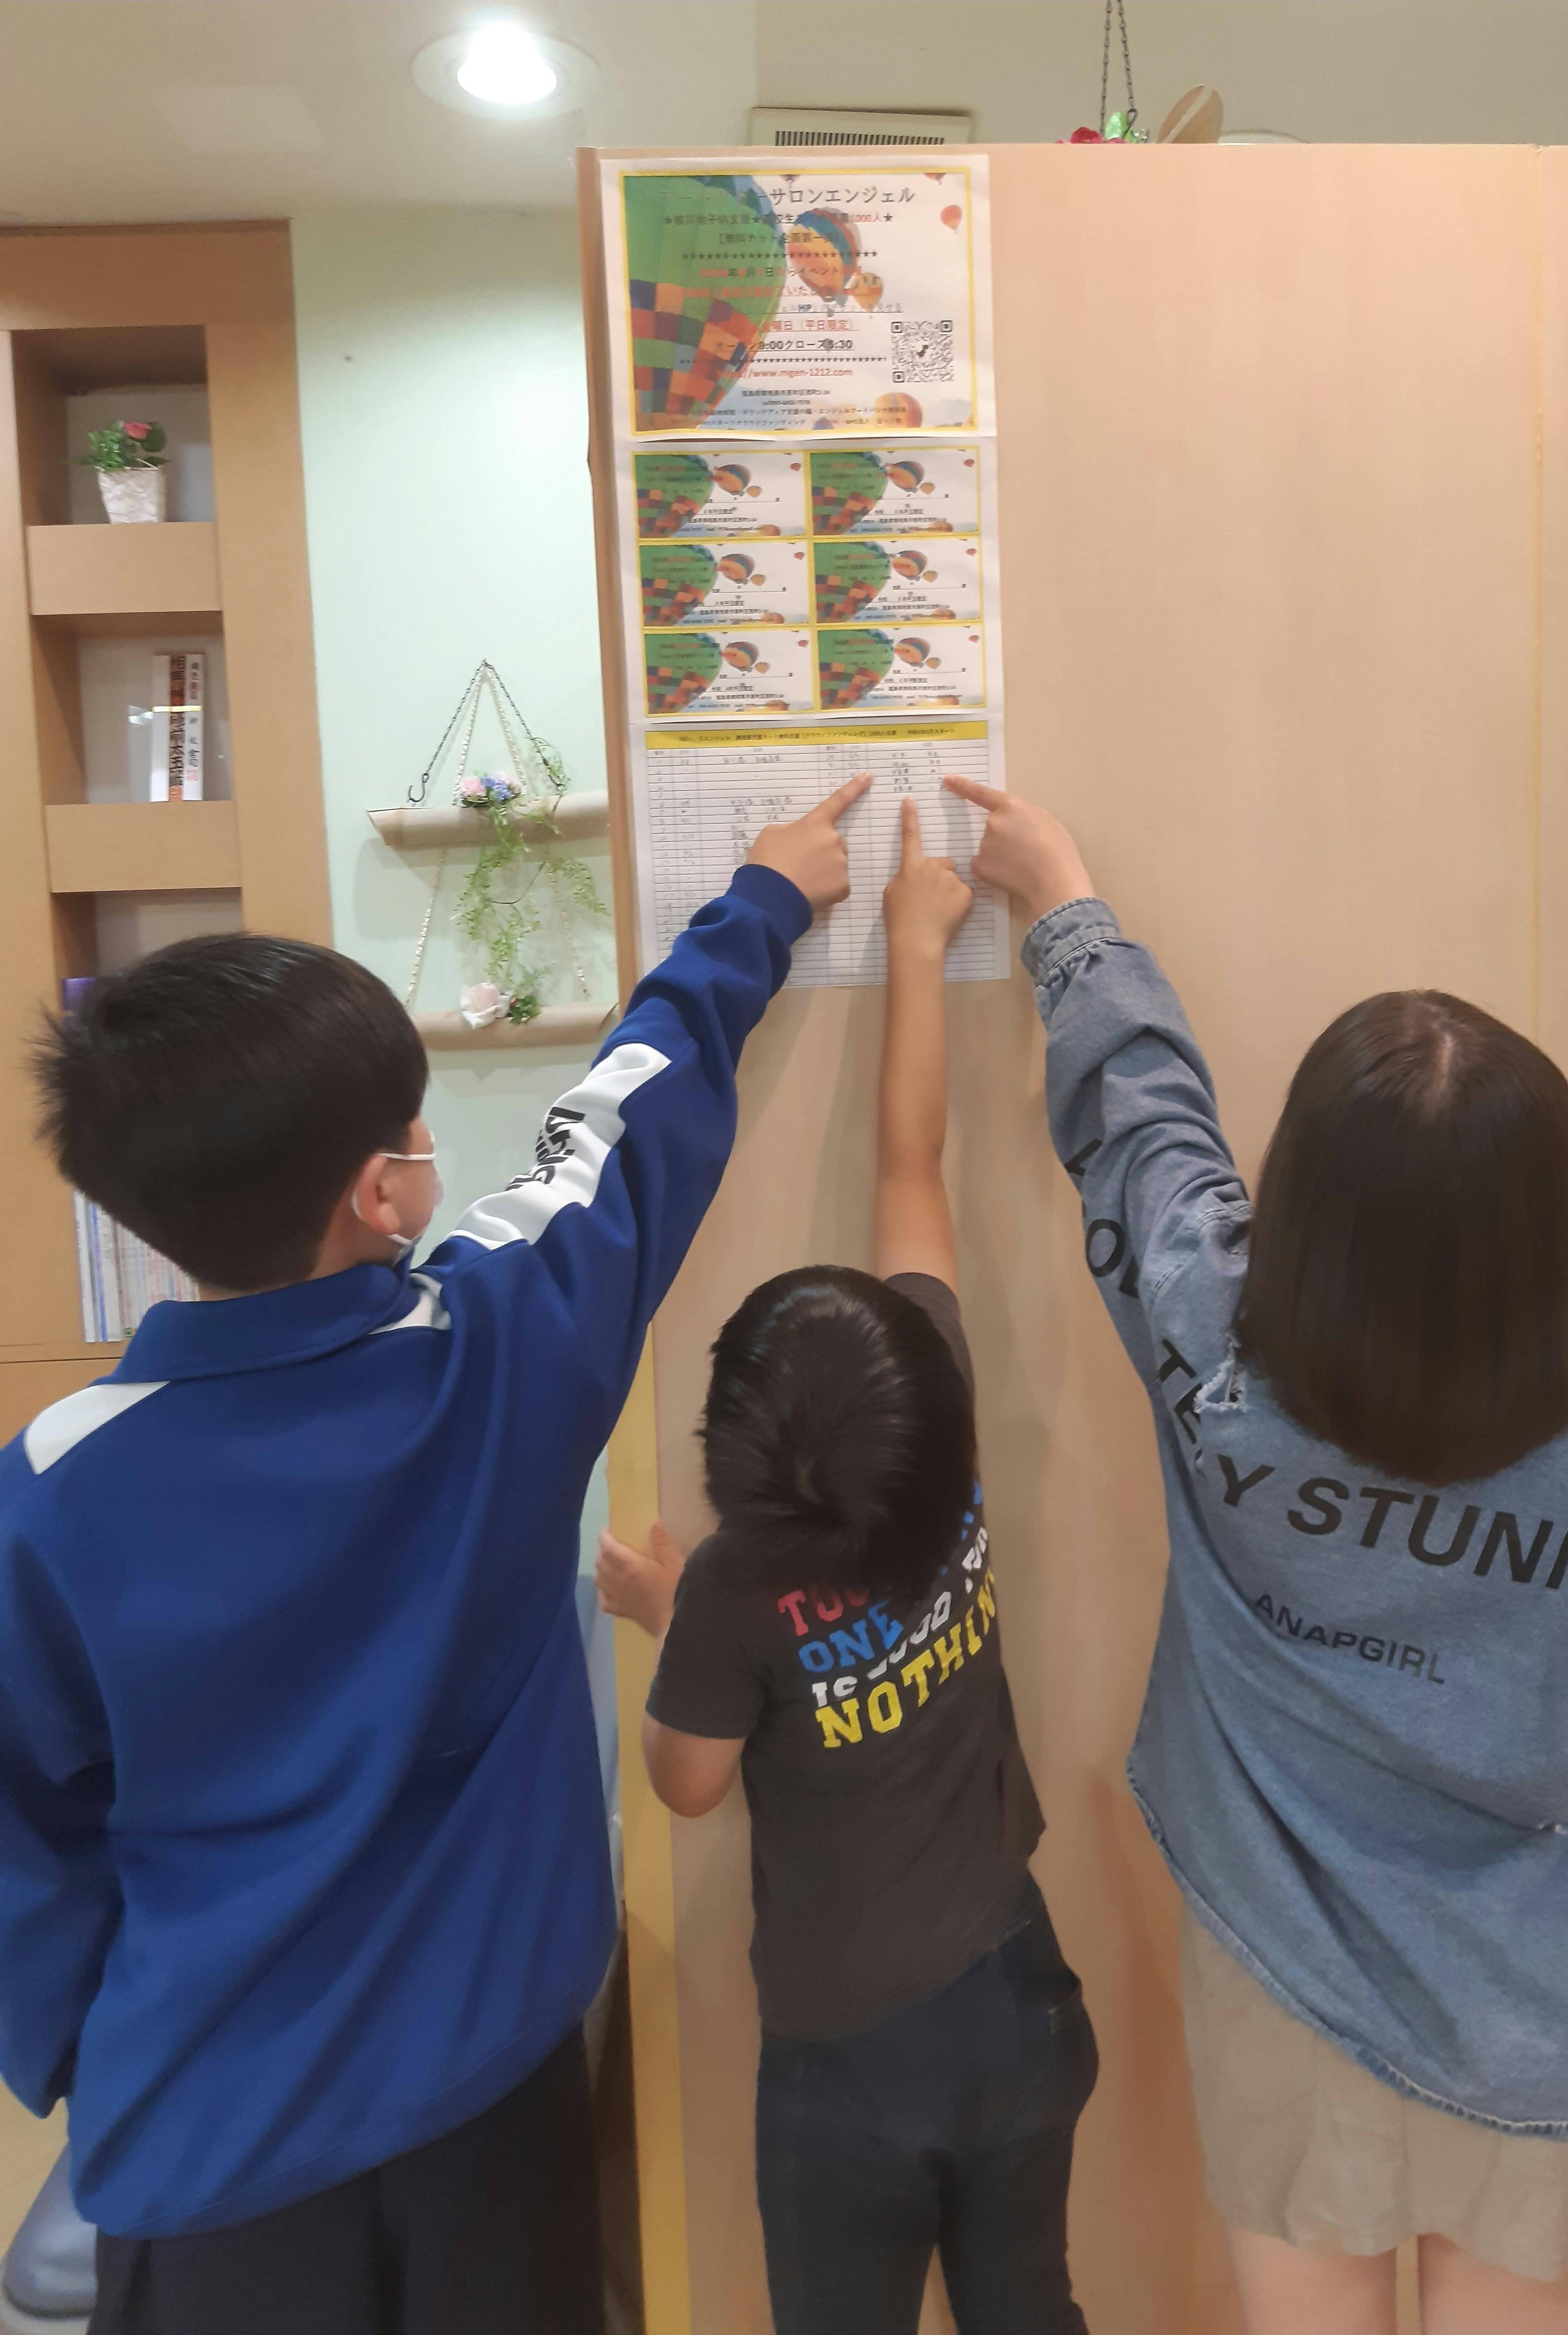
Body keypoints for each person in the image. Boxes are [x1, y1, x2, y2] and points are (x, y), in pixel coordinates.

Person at [0, 775, 869, 2335]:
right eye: (411, 1129)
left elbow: (24, 1828)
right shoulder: (492, 1355)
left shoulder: (51, 1490)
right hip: (489, 2107)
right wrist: (763, 901)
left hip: (206, 2146)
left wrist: (93, 2046)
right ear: (377, 1194)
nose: (427, 1150)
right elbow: (626, 1126)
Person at [938, 773, 1568, 2335]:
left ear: (1303, 1219)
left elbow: (1146, 1137)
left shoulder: (1214, 1348)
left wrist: (1067, 910)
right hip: (1536, 2002)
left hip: (1281, 1974)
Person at [598, 799, 1097, 2335]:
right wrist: (919, 945)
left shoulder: (735, 1587)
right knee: (1031, 2308)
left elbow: (688, 1786)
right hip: (1017, 1998)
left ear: (731, 1461)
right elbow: (911, 1162)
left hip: (844, 2072)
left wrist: (667, 1615)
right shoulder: (942, 1436)